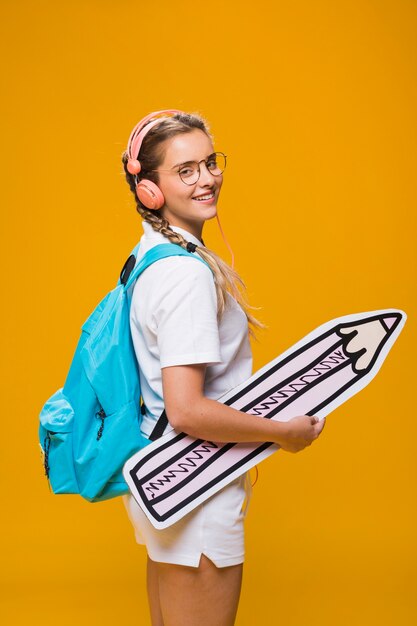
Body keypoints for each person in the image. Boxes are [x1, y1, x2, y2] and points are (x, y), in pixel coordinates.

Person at [120, 109, 326, 626]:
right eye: (185, 170)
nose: (208, 177)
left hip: (164, 479)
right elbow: (187, 410)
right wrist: (283, 433)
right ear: (149, 189)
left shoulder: (148, 255)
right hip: (199, 489)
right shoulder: (186, 277)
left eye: (210, 162)